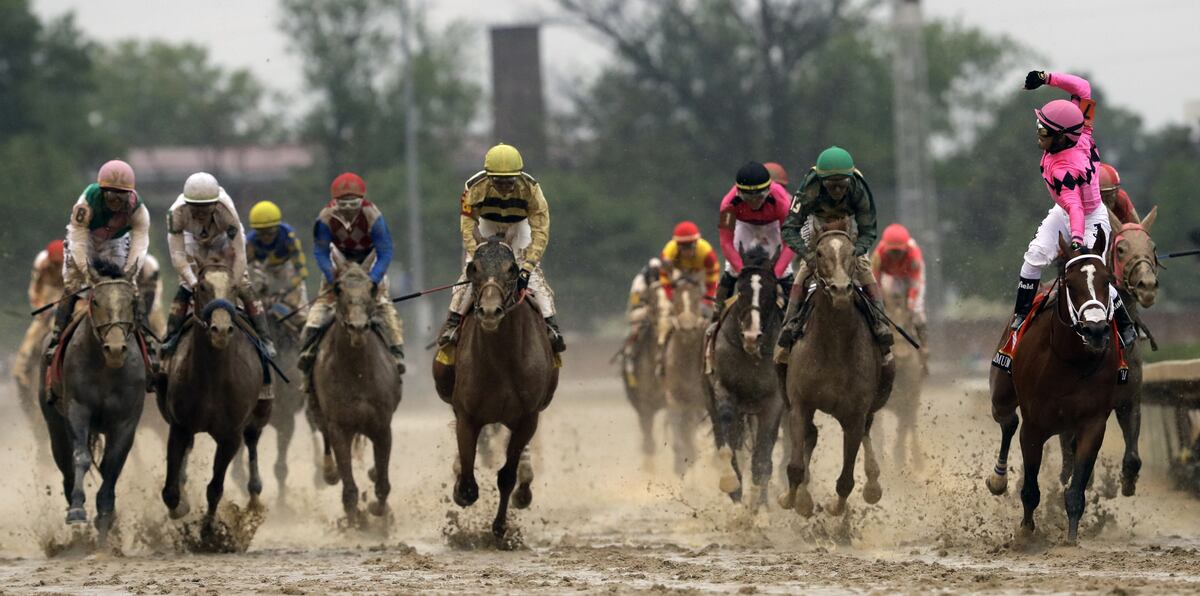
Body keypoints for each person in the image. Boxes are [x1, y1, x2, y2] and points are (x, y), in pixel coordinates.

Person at [996, 70, 1136, 365]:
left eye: (1044, 129)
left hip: (1090, 216)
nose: (1038, 131)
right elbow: (1083, 87)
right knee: (1033, 258)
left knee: (1088, 271)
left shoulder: (1064, 169)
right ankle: (1021, 316)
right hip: (1067, 211)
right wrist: (1046, 78)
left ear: (1060, 137)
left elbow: (1075, 207)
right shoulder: (1081, 128)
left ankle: (1122, 323)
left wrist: (1075, 241)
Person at [438, 143, 565, 353]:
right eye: (498, 181)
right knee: (474, 272)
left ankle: (551, 326)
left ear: (519, 175)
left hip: (520, 225)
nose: (505, 186)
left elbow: (541, 231)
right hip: (486, 224)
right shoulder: (473, 187)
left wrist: (527, 267)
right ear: (489, 176)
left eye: (510, 181)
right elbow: (468, 225)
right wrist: (478, 254)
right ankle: (453, 322)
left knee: (534, 276)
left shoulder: (532, 189)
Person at [777, 146, 893, 362]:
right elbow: (789, 228)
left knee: (864, 267)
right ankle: (790, 323)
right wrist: (808, 255)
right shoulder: (809, 187)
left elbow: (868, 231)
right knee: (803, 271)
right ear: (821, 181)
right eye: (832, 185)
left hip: (848, 225)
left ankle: (880, 322)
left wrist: (855, 252)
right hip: (816, 223)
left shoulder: (859, 188)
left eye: (842, 185)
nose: (838, 190)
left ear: (850, 180)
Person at [297, 172, 406, 377]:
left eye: (353, 204)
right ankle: (308, 353)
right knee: (318, 311)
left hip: (369, 264)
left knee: (385, 308)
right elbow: (320, 251)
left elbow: (385, 251)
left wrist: (373, 279)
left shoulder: (374, 216)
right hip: (339, 265)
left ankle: (396, 353)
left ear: (362, 200)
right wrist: (331, 276)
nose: (348, 210)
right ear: (334, 202)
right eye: (343, 205)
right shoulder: (324, 218)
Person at [45, 159, 150, 361]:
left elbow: (140, 242)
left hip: (116, 241)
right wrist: (86, 272)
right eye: (111, 195)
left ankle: (148, 345)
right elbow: (77, 236)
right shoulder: (86, 201)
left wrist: (129, 274)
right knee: (73, 285)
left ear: (129, 194)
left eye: (121, 196)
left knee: (128, 288)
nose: (115, 202)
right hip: (86, 238)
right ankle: (56, 339)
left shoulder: (138, 209)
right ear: (102, 191)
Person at [162, 172, 275, 358]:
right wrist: (193, 282)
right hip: (191, 239)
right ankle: (171, 338)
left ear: (215, 204)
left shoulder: (227, 212)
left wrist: (235, 282)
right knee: (185, 287)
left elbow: (239, 254)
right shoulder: (176, 214)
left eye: (205, 208)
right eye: (194, 207)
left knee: (244, 285)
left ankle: (265, 339)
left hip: (221, 239)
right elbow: (178, 256)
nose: (199, 213)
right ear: (186, 204)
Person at [712, 161, 795, 323]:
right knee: (731, 269)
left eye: (759, 197)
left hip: (773, 225)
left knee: (785, 272)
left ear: (768, 191)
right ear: (739, 194)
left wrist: (775, 274)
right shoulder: (727, 204)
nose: (754, 203)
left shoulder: (782, 201)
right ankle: (717, 316)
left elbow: (790, 244)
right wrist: (741, 269)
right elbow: (726, 243)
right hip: (745, 225)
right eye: (748, 198)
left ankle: (794, 319)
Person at [872, 223, 928, 365]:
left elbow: (916, 284)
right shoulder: (878, 255)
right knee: (879, 307)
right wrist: (880, 301)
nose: (896, 255)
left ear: (906, 249)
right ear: (886, 248)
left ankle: (924, 346)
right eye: (892, 252)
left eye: (899, 252)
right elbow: (874, 281)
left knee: (916, 310)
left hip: (910, 277)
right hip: (891, 276)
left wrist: (911, 304)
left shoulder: (914, 255)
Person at [14, 241, 65, 389]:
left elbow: (75, 287)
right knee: (32, 334)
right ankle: (20, 370)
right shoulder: (41, 264)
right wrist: (41, 309)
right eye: (54, 264)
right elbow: (35, 291)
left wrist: (61, 307)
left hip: (64, 297)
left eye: (59, 264)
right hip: (45, 299)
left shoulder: (71, 263)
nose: (56, 267)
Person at [246, 200, 310, 317]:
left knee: (302, 314)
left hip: (286, 270)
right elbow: (246, 269)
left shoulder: (288, 236)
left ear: (277, 227)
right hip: (264, 271)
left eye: (269, 232)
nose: (265, 237)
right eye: (261, 233)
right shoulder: (250, 242)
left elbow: (302, 272)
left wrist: (287, 289)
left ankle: (301, 320)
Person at [621, 257, 663, 356]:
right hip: (641, 310)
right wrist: (646, 307)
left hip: (658, 310)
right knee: (637, 326)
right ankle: (630, 352)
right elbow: (634, 301)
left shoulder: (663, 279)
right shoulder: (639, 283)